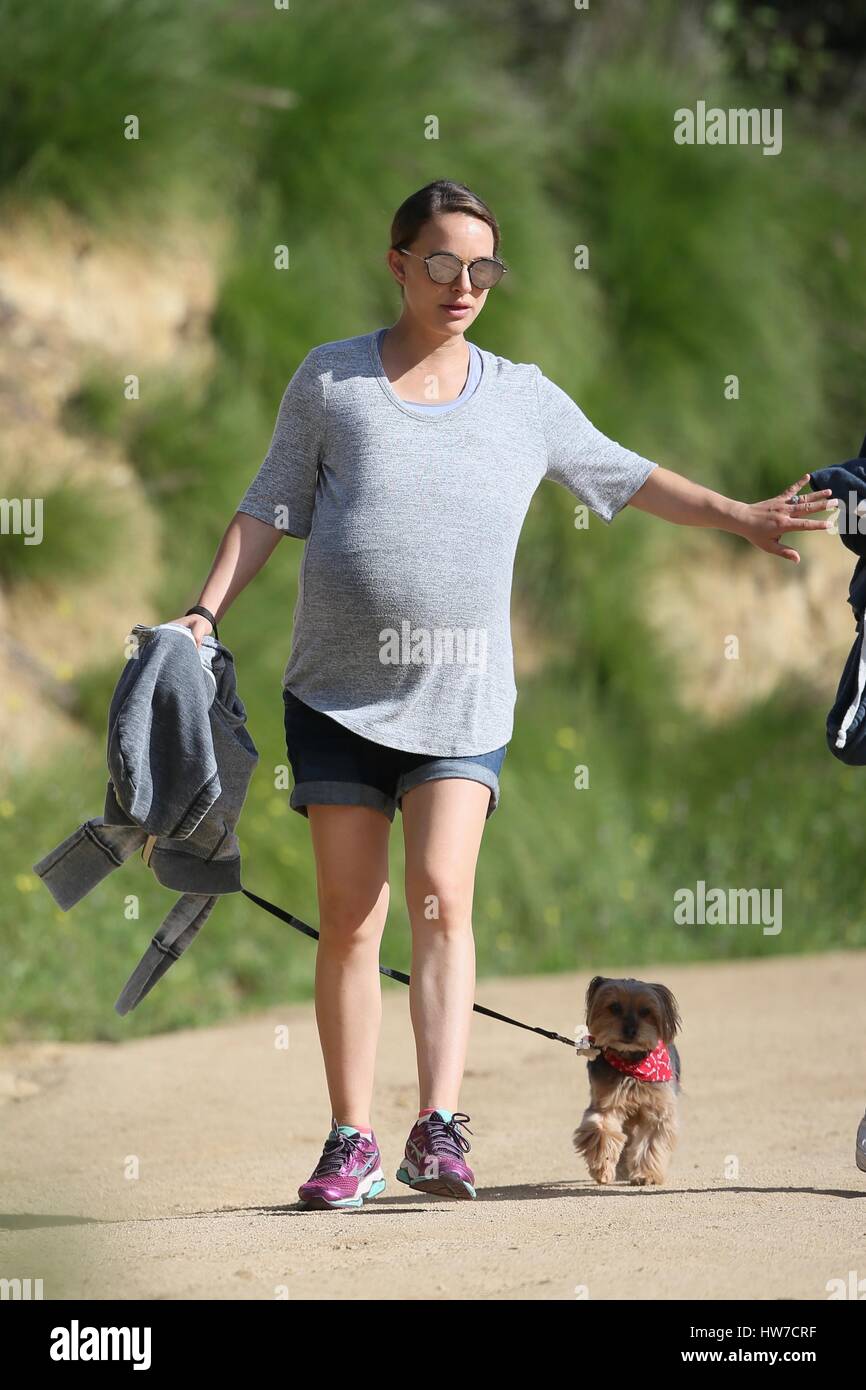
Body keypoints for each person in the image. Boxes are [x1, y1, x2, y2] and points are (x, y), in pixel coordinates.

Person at [166, 179, 837, 1209]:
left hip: (461, 698)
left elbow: (625, 474)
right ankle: (352, 1136)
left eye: (483, 268)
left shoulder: (519, 394)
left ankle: (438, 1128)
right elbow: (265, 509)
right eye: (441, 264)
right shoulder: (332, 380)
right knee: (349, 917)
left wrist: (738, 514)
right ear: (397, 264)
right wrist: (203, 612)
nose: (464, 285)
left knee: (441, 892)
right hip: (337, 694)